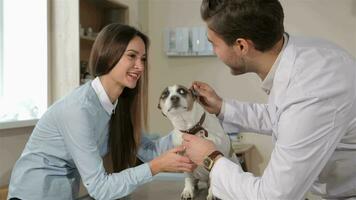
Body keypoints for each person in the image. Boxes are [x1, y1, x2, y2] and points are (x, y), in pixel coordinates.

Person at [182, 0, 356, 199]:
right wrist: (222, 107)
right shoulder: (305, 55)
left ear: (241, 46)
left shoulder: (310, 90)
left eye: (213, 44)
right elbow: (283, 117)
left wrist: (211, 159)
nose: (214, 52)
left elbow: (272, 196)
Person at [7, 23, 195, 200]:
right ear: (109, 55)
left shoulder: (116, 106)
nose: (140, 66)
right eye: (132, 56)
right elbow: (100, 187)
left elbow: (149, 150)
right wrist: (156, 167)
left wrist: (189, 127)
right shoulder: (78, 110)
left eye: (143, 59)